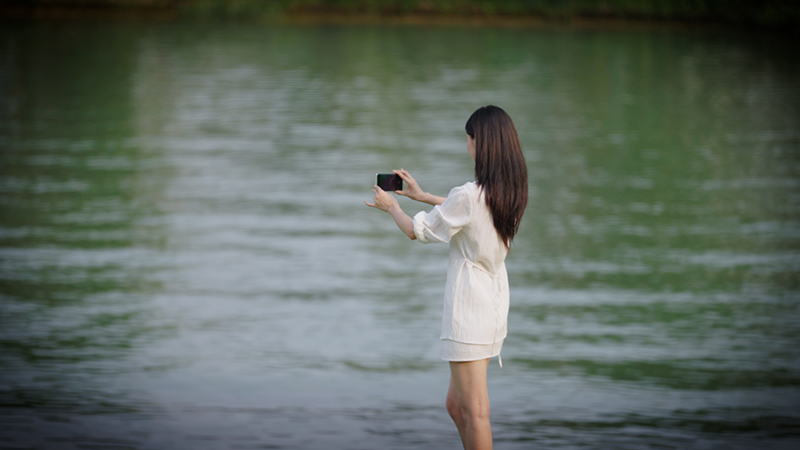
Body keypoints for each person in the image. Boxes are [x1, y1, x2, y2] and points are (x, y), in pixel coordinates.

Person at [365, 105, 528, 450]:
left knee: (476, 411)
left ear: (479, 144)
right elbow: (470, 214)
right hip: (492, 304)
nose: (466, 145)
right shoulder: (508, 191)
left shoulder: (469, 195)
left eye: (468, 139)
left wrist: (392, 207)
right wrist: (424, 197)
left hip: (469, 309)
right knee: (456, 405)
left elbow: (417, 231)